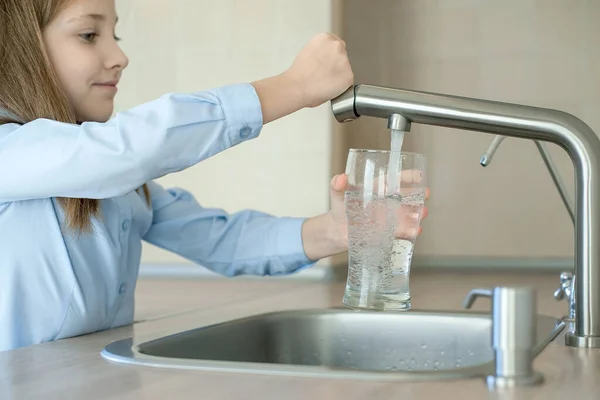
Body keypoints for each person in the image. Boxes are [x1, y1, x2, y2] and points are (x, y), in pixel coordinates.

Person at [0, 0, 429, 352]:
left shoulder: (122, 188)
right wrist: (293, 86)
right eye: (90, 35)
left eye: (116, 35)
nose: (119, 57)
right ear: (22, 48)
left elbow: (222, 238)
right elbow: (127, 149)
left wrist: (334, 231)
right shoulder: (11, 152)